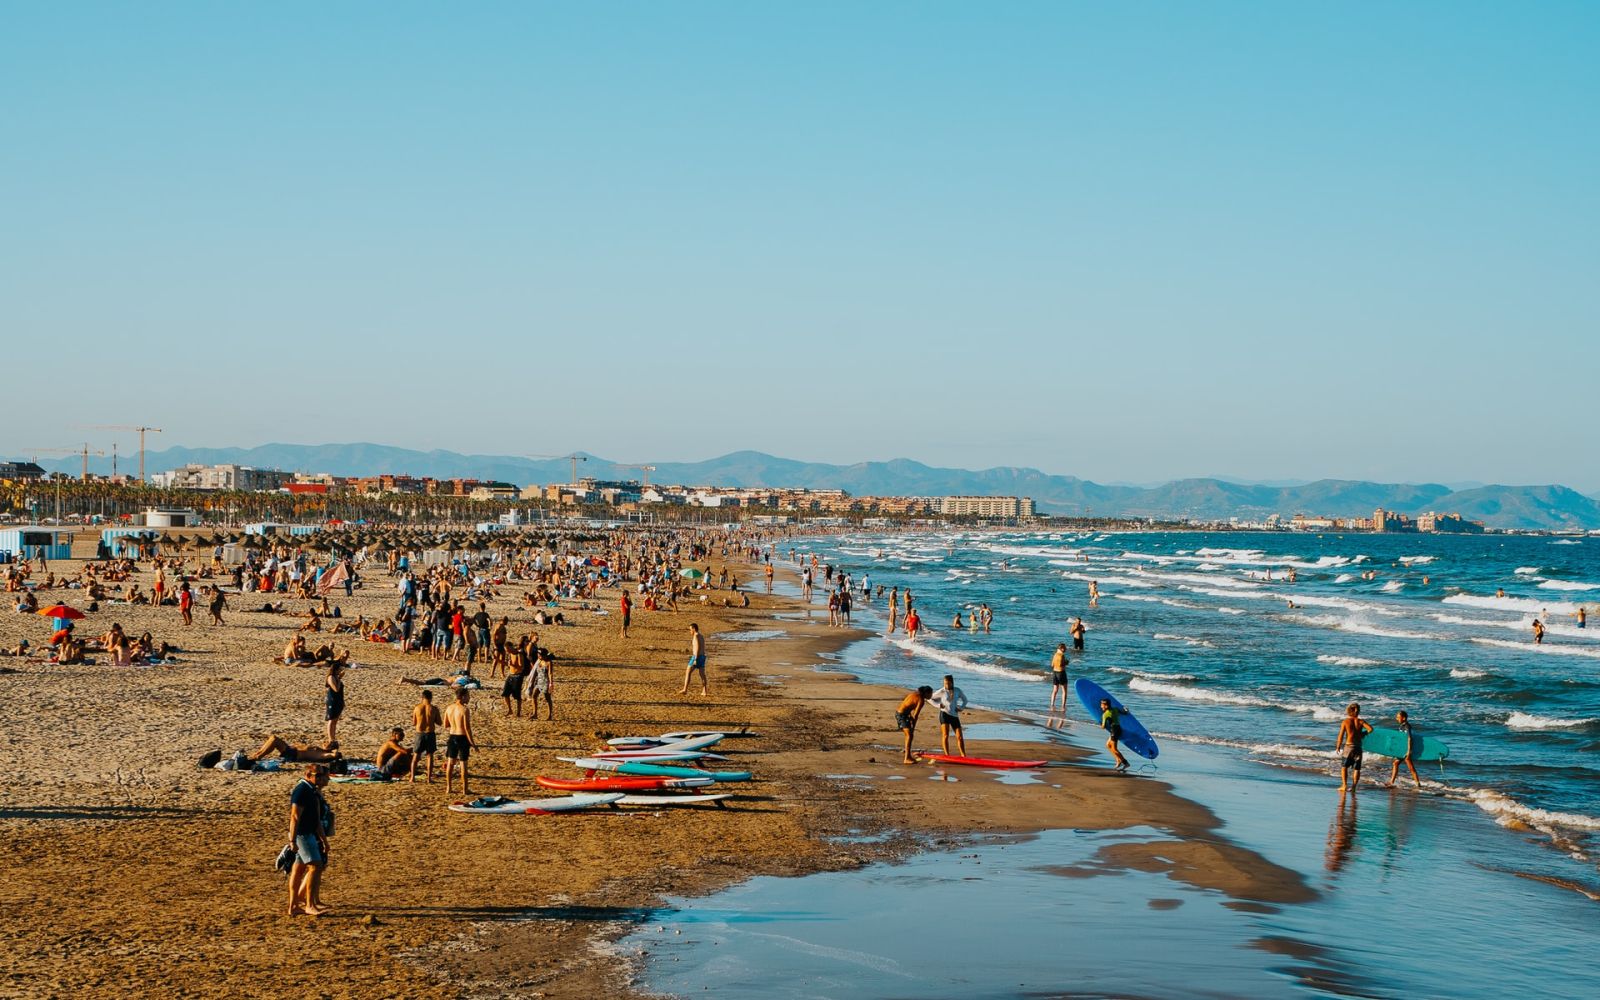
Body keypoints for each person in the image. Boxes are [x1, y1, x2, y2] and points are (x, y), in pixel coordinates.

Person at [286, 764, 331, 916]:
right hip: (302, 835)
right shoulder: (301, 791)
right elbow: (294, 817)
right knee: (315, 866)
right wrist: (292, 840)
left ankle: (294, 906)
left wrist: (324, 840)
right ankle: (309, 905)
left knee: (298, 870)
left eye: (320, 775)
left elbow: (317, 820)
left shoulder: (311, 791)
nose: (320, 778)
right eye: (317, 775)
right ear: (308, 775)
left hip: (309, 833)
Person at [443, 687, 477, 795]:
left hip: (452, 736)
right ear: (462, 697)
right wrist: (472, 743)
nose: (469, 698)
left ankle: (449, 788)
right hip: (462, 737)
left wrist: (454, 724)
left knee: (450, 763)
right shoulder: (464, 710)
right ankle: (464, 789)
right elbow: (467, 728)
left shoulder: (449, 708)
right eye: (468, 696)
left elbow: (445, 725)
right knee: (463, 764)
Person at [1335, 702, 1374, 792]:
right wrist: (1363, 734)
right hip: (1358, 747)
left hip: (1349, 747)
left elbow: (1340, 736)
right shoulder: (1361, 721)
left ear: (1349, 711)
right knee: (1357, 768)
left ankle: (1344, 785)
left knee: (1344, 767)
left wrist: (1338, 746)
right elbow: (1371, 729)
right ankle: (1353, 787)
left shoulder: (1345, 721)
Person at [928, 674, 968, 757]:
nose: (946, 685)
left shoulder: (957, 690)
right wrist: (938, 705)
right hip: (944, 714)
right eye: (945, 683)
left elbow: (965, 700)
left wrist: (961, 708)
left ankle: (963, 755)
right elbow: (930, 698)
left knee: (960, 737)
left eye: (948, 683)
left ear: (952, 683)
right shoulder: (942, 691)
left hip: (954, 716)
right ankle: (947, 755)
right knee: (945, 735)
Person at [895, 685, 934, 764]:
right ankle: (906, 758)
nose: (931, 695)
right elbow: (915, 715)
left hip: (901, 713)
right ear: (926, 693)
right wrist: (913, 726)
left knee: (909, 735)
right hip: (902, 715)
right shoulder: (921, 700)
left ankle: (908, 756)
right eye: (930, 694)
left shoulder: (915, 694)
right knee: (909, 735)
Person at [410, 690, 442, 782]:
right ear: (431, 698)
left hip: (419, 733)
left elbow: (414, 723)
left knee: (416, 756)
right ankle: (428, 778)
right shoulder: (434, 709)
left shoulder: (417, 708)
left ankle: (412, 777)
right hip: (430, 733)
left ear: (422, 697)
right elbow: (439, 722)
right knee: (429, 756)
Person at [1385, 710, 1422, 789]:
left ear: (1404, 718)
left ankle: (1418, 783)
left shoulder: (1407, 726)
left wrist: (1409, 751)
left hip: (1406, 750)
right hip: (1402, 750)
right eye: (1397, 717)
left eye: (1398, 717)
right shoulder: (1402, 726)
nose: (1396, 718)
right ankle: (1392, 782)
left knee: (1411, 767)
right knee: (1395, 763)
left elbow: (1409, 738)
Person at [249, 735, 341, 764]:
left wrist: (334, 752)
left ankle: (258, 756)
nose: (325, 742)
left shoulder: (322, 754)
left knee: (274, 739)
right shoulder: (320, 750)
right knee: (272, 738)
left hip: (293, 755)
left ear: (330, 748)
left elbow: (335, 755)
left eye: (328, 743)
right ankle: (257, 755)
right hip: (291, 751)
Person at [1098, 698, 1130, 772]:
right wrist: (1126, 710)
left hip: (1114, 731)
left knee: (1114, 749)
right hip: (1118, 729)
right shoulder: (1115, 709)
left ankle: (1125, 763)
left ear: (1105, 706)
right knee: (1108, 745)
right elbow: (1124, 713)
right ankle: (1118, 760)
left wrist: (1100, 723)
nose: (1101, 707)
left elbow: (1103, 727)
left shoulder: (1105, 714)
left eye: (1101, 705)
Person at [679, 622, 708, 696]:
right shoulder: (701, 636)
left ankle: (685, 689)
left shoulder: (696, 636)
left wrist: (695, 659)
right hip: (702, 656)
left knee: (688, 672)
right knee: (702, 675)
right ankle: (704, 691)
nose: (690, 631)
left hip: (697, 656)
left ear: (694, 629)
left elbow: (697, 647)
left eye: (690, 630)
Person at [527, 646, 555, 719]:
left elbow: (550, 673)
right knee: (534, 696)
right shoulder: (539, 661)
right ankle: (535, 713)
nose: (538, 656)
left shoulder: (549, 663)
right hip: (539, 682)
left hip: (545, 682)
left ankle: (549, 715)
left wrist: (551, 683)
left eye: (540, 655)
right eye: (538, 654)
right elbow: (535, 672)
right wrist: (532, 682)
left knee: (548, 698)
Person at [324, 660, 346, 745]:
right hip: (332, 700)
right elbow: (336, 689)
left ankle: (333, 738)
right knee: (331, 720)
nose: (340, 671)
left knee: (335, 720)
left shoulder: (336, 677)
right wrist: (339, 679)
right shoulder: (331, 677)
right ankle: (330, 739)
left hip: (338, 700)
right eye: (339, 669)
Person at [1048, 643, 1070, 712]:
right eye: (1065, 648)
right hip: (1061, 673)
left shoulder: (1055, 654)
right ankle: (1063, 706)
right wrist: (1066, 662)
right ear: (1062, 648)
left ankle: (1052, 704)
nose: (1066, 649)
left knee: (1055, 690)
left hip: (1055, 672)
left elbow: (1052, 665)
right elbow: (1061, 664)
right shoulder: (1062, 655)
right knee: (1064, 691)